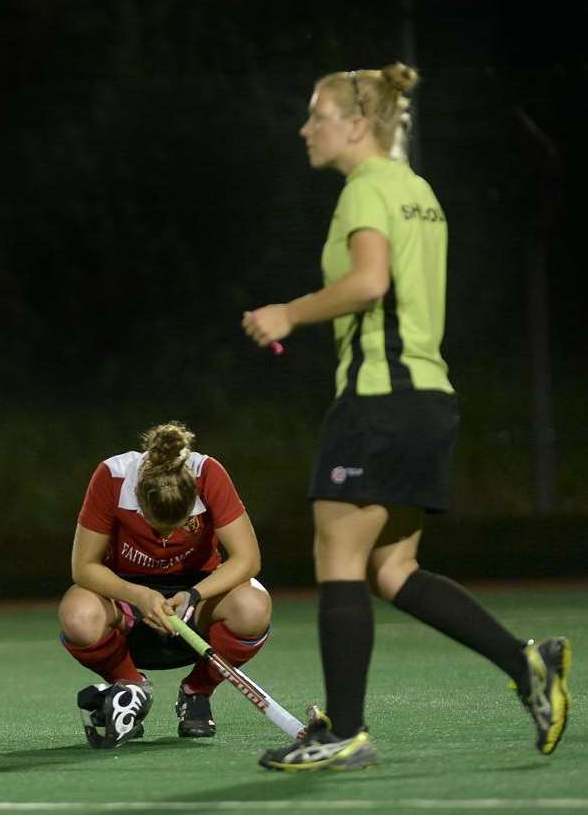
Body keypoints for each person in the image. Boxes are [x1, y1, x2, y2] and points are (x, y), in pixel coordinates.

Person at [243, 63, 570, 771]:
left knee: (337, 554)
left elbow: (368, 282)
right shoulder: (418, 190)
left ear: (357, 125)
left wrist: (286, 313)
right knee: (392, 567)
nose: (306, 128)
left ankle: (346, 732)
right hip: (426, 396)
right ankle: (525, 663)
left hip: (379, 400)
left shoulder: (365, 188)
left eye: (317, 115)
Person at [59, 422, 271, 747]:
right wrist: (138, 595)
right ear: (140, 498)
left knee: (254, 606)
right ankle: (131, 689)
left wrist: (194, 594)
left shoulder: (208, 473)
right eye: (158, 526)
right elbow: (84, 567)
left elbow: (247, 559)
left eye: (178, 523)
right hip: (127, 597)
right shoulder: (113, 476)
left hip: (197, 597)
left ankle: (197, 692)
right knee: (77, 614)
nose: (168, 537)